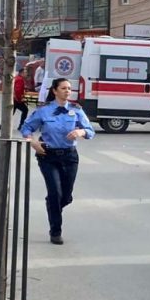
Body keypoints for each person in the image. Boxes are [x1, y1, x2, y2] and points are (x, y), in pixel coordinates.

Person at [21, 78, 94, 244]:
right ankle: (55, 231)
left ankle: (53, 206)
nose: (67, 91)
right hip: (48, 156)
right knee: (55, 193)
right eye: (63, 88)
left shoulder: (76, 110)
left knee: (66, 196)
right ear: (54, 91)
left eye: (69, 88)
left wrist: (81, 132)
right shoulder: (43, 110)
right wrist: (32, 141)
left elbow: (90, 131)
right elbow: (26, 128)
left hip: (70, 157)